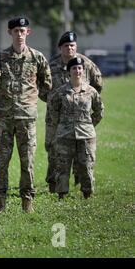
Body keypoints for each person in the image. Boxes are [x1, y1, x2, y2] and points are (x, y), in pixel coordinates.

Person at [0, 17, 52, 212]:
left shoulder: (37, 57)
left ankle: (27, 201)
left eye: (22, 30)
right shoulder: (0, 57)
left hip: (27, 118)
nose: (19, 34)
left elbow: (47, 84)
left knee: (27, 163)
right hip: (4, 119)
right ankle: (0, 201)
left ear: (28, 32)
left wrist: (32, 99)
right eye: (15, 30)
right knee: (2, 162)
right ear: (10, 33)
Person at [43, 31, 103, 193]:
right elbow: (42, 88)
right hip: (54, 117)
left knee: (82, 152)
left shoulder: (87, 64)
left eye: (72, 45)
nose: (69, 48)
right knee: (54, 150)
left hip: (80, 118)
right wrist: (53, 102)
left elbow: (97, 86)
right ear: (60, 48)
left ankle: (80, 181)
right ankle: (53, 184)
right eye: (66, 46)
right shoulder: (52, 65)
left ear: (76, 46)